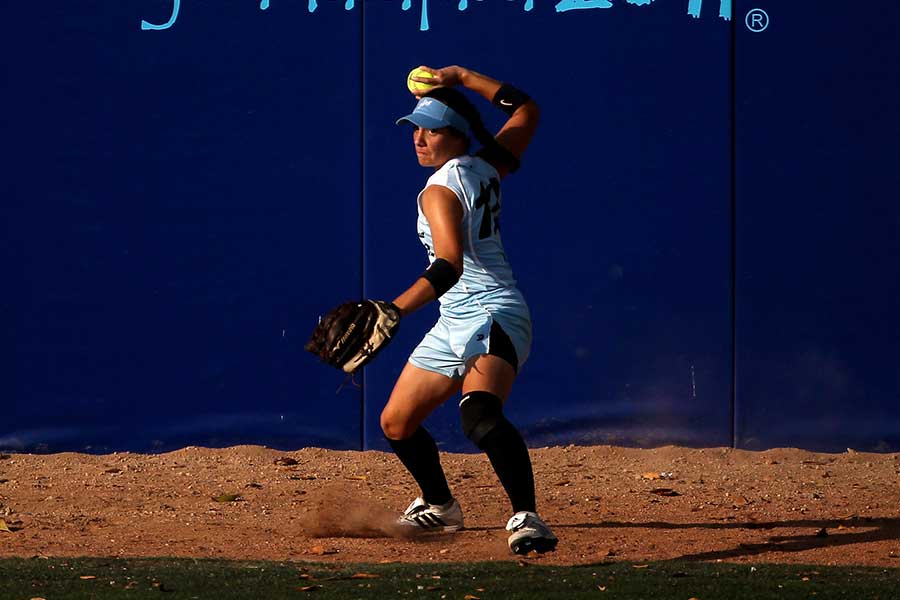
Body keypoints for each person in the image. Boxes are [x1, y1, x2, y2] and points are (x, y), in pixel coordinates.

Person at [380, 65, 558, 555]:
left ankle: (527, 518)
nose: (418, 138)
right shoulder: (484, 167)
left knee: (478, 414)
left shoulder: (439, 189)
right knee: (396, 423)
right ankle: (440, 506)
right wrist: (460, 76)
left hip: (494, 312)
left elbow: (448, 265)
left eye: (430, 129)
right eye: (414, 128)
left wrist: (393, 310)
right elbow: (526, 109)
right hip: (455, 319)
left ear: (455, 135)